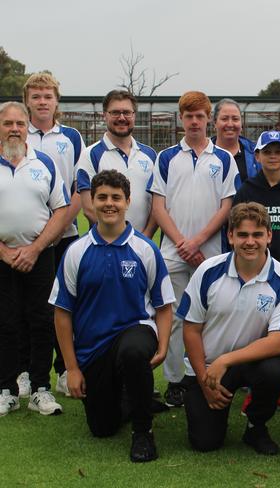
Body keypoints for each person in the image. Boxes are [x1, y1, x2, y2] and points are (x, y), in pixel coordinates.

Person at [48, 170, 174, 462]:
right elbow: (62, 313)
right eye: (102, 197)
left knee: (132, 351)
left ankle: (143, 433)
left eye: (116, 197)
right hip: (93, 349)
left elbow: (164, 305)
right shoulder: (76, 252)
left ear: (127, 201)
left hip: (135, 331)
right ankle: (133, 395)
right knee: (102, 428)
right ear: (91, 201)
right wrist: (72, 368)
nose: (109, 204)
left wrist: (164, 344)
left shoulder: (145, 248)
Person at [179, 202, 280, 455]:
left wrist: (227, 360)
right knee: (205, 443)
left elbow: (278, 342)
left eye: (257, 234)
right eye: (242, 234)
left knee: (274, 370)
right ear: (230, 236)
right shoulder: (208, 271)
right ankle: (211, 399)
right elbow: (191, 329)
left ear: (269, 235)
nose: (250, 242)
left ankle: (256, 426)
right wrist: (204, 381)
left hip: (252, 362)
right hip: (210, 368)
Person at [150, 91, 239, 408]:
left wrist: (198, 240)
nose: (194, 121)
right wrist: (182, 243)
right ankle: (177, 382)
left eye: (200, 116)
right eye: (188, 116)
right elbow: (158, 206)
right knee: (173, 319)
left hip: (210, 253)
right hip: (173, 254)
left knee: (212, 317)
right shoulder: (166, 158)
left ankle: (211, 375)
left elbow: (227, 206)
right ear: (181, 119)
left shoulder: (224, 159)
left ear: (209, 119)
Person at [0, 101, 69, 417]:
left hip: (39, 256)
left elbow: (61, 210)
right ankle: (7, 390)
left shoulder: (46, 164)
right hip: (2, 257)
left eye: (19, 123)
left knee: (42, 321)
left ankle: (41, 389)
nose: (14, 129)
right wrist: (4, 252)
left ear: (27, 126)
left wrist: (35, 248)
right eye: (7, 123)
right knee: (6, 322)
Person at [21, 72, 86, 398]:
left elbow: (79, 187)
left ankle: (64, 369)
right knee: (28, 307)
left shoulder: (72, 137)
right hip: (27, 241)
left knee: (65, 305)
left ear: (57, 101)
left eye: (48, 96)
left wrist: (57, 227)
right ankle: (24, 371)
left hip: (65, 236)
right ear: (27, 101)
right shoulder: (18, 133)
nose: (42, 102)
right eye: (36, 96)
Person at [233, 130, 280, 414]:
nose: (273, 156)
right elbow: (240, 231)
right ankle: (255, 388)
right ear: (258, 155)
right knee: (255, 328)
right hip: (252, 271)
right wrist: (259, 266)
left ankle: (278, 389)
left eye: (279, 151)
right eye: (268, 151)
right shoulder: (248, 189)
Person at [77, 90, 157, 236]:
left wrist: (144, 238)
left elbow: (157, 205)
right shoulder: (90, 154)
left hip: (142, 246)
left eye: (126, 112)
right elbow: (88, 208)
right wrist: (119, 239)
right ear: (104, 115)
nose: (121, 118)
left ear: (134, 115)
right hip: (105, 245)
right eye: (115, 113)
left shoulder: (150, 155)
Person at [211, 98, 257, 188]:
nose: (230, 124)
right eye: (224, 119)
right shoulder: (202, 154)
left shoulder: (255, 153)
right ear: (215, 123)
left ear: (241, 124)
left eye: (235, 119)